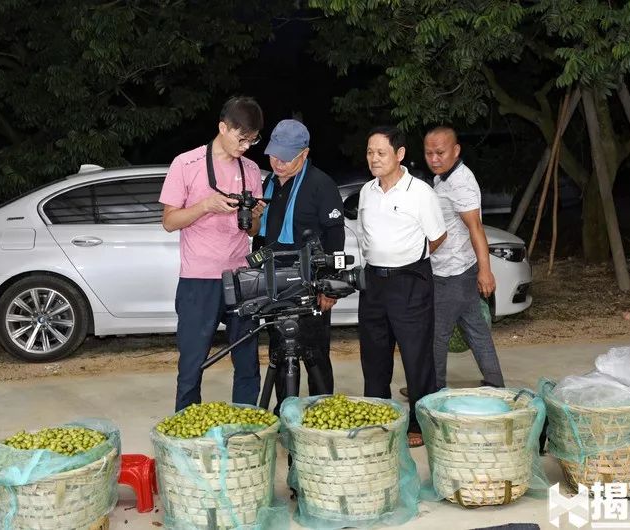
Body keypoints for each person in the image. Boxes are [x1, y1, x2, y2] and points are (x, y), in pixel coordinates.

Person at [159, 96, 266, 412]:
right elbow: (169, 222)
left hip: (240, 278)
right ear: (223, 127)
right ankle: (185, 429)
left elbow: (253, 231)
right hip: (198, 279)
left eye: (253, 140)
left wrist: (256, 214)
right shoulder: (186, 164)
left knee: (247, 360)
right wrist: (205, 206)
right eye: (241, 138)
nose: (246, 146)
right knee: (192, 363)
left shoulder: (251, 170)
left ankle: (246, 426)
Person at [357, 125, 447, 448]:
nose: (374, 159)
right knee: (374, 356)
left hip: (410, 282)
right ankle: (380, 419)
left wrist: (408, 259)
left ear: (400, 154)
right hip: (374, 285)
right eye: (370, 152)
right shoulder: (367, 192)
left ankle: (420, 424)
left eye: (381, 153)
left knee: (416, 356)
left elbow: (438, 237)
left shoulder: (420, 193)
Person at [252, 119, 345, 413]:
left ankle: (320, 412)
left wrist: (329, 286)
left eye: (286, 157)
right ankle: (286, 410)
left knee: (314, 353)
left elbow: (335, 236)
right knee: (279, 351)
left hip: (310, 284)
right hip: (275, 283)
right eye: (273, 155)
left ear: (304, 154)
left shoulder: (321, 184)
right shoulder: (267, 184)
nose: (277, 162)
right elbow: (260, 236)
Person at [424, 125, 505, 390]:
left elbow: (476, 228)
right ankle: (495, 383)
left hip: (453, 273)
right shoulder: (444, 178)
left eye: (440, 152)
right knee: (476, 329)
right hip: (459, 269)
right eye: (428, 154)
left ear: (456, 150)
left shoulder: (460, 183)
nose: (434, 159)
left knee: (436, 335)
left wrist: (486, 271)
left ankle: (431, 390)